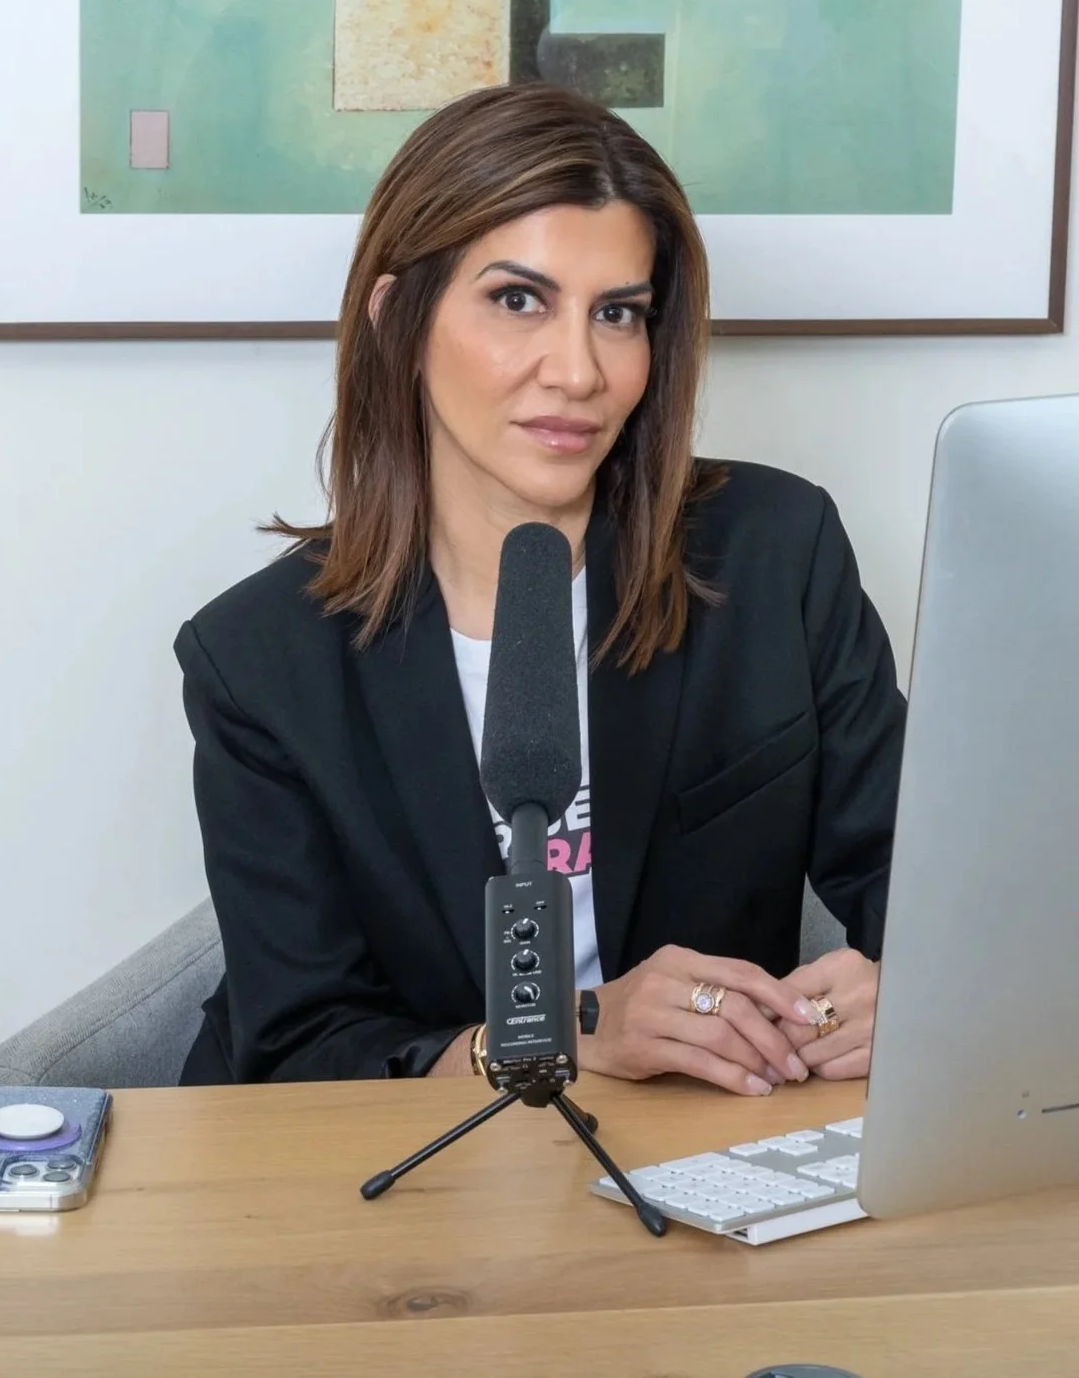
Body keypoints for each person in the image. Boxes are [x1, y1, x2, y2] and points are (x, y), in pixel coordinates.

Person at [175, 83, 905, 1094]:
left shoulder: (777, 552)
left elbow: (922, 880)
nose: (578, 371)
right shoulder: (259, 659)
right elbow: (304, 1045)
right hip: (418, 1158)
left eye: (617, 314)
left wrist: (907, 987)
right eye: (518, 300)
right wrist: (563, 1036)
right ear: (397, 320)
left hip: (702, 1139)